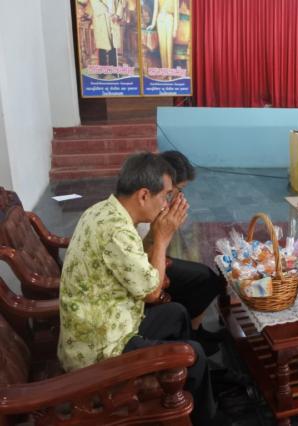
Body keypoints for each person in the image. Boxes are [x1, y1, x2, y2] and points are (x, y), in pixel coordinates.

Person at [58, 153, 222, 425]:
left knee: (177, 313)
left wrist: (154, 235)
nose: (167, 203)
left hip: (111, 322)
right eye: (166, 195)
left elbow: (136, 262)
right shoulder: (117, 230)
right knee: (194, 353)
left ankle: (179, 387)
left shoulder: (104, 211)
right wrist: (162, 238)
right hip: (103, 350)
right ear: (144, 195)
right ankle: (204, 417)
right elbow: (152, 292)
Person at [137, 151, 226, 343]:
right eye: (175, 191)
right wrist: (162, 234)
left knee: (207, 277)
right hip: (148, 269)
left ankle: (195, 331)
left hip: (151, 260)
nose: (178, 197)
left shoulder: (152, 203)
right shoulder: (144, 211)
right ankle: (190, 337)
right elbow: (148, 279)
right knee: (205, 281)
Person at [147, 0, 179, 70]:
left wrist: (175, 29)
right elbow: (155, 10)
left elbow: (176, 12)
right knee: (162, 47)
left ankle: (170, 72)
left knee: (169, 47)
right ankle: (165, 70)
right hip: (160, 20)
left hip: (169, 19)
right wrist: (153, 24)